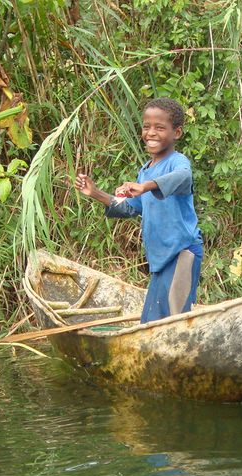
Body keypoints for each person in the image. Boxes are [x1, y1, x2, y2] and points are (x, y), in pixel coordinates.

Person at [75, 97, 203, 323]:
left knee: (175, 322)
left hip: (182, 253)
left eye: (160, 128)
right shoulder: (145, 171)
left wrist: (146, 186)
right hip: (160, 259)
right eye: (147, 127)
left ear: (177, 133)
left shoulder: (177, 162)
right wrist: (95, 193)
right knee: (150, 322)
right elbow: (131, 208)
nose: (151, 133)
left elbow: (183, 177)